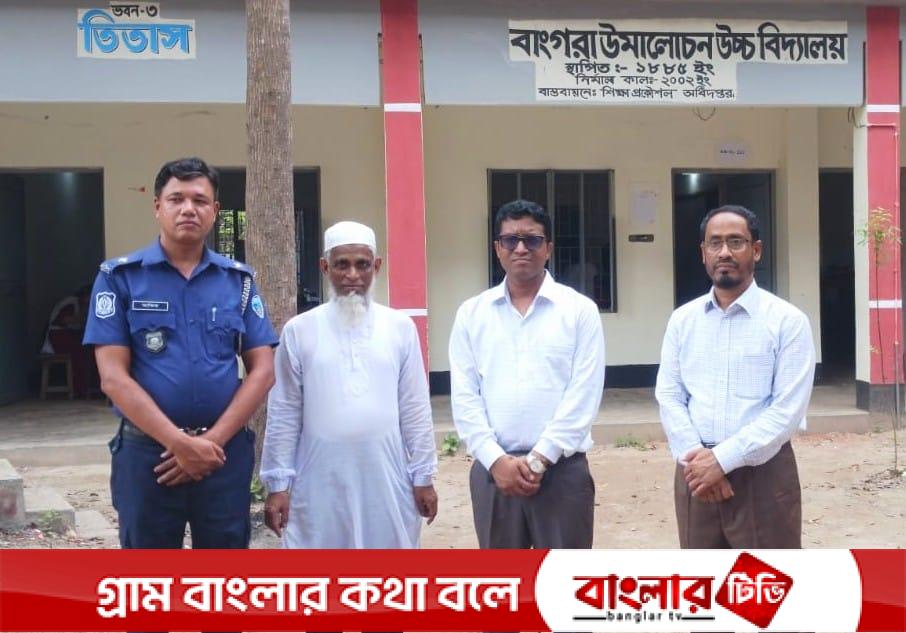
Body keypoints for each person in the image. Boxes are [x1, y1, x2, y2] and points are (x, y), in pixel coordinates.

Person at [83, 157, 277, 549]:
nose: (189, 209)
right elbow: (113, 378)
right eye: (176, 199)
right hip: (148, 456)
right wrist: (178, 444)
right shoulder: (120, 279)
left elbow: (263, 370)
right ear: (158, 206)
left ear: (215, 211)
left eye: (200, 200)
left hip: (221, 456)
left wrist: (210, 444)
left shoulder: (238, 281)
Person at [260, 220, 438, 548]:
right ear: (325, 267)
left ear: (377, 267)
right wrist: (278, 485)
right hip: (318, 479)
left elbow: (415, 407)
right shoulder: (299, 330)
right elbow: (284, 412)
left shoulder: (400, 328)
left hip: (387, 477)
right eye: (342, 264)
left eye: (362, 265)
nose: (352, 275)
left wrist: (423, 477)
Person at [655, 204, 816, 549]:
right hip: (696, 475)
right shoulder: (683, 321)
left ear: (756, 250)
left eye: (736, 242)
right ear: (703, 253)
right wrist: (699, 459)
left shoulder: (787, 322)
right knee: (702, 580)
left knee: (768, 579)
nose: (724, 252)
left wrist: (722, 460)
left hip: (763, 475)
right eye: (714, 243)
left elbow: (787, 411)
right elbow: (669, 395)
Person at [449, 199, 606, 549]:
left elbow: (584, 395)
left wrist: (539, 460)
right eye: (510, 240)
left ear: (548, 248)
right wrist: (495, 460)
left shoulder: (579, 311)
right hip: (494, 473)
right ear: (497, 248)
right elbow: (464, 396)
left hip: (561, 473)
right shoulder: (472, 314)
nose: (521, 248)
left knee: (564, 578)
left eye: (532, 240)